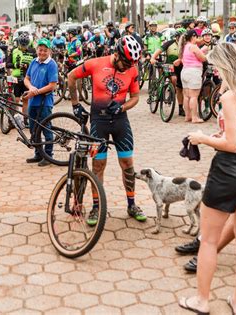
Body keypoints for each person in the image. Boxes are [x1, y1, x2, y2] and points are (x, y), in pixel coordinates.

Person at [178, 42, 236, 315]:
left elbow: (233, 144)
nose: (216, 72)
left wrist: (203, 139)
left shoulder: (230, 97)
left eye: (218, 67)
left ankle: (202, 300)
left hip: (230, 169)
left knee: (208, 240)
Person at [67, 35, 147, 225]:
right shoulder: (96, 64)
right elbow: (71, 76)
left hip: (120, 121)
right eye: (126, 63)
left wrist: (122, 107)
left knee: (127, 163)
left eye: (131, 64)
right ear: (117, 54)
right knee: (98, 166)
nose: (128, 67)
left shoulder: (132, 70)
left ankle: (132, 204)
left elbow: (135, 97)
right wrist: (75, 105)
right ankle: (97, 207)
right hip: (98, 122)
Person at [23, 38, 58, 167]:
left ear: (49, 51)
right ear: (37, 50)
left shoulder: (51, 64)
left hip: (45, 102)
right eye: (40, 50)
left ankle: (48, 156)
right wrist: (31, 88)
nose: (42, 52)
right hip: (33, 101)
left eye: (45, 50)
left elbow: (52, 85)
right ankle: (38, 154)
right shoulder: (34, 62)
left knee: (46, 129)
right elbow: (26, 79)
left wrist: (36, 92)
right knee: (34, 129)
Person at [151, 28, 187, 116]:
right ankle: (171, 90)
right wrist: (153, 58)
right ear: (177, 36)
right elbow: (159, 50)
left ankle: (180, 108)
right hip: (170, 66)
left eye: (184, 37)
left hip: (181, 67)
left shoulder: (186, 45)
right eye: (181, 37)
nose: (183, 39)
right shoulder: (170, 43)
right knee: (174, 79)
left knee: (180, 88)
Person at [176, 29, 207, 123]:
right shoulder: (193, 47)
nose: (197, 39)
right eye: (196, 37)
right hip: (194, 72)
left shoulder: (184, 46)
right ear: (193, 37)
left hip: (184, 72)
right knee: (194, 96)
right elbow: (202, 58)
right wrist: (203, 51)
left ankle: (187, 116)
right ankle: (194, 117)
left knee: (186, 96)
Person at [6, 35, 36, 123]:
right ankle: (14, 118)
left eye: (25, 46)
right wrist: (17, 65)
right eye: (21, 46)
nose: (23, 47)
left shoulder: (32, 51)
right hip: (16, 78)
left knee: (26, 99)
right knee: (16, 99)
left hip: (28, 79)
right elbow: (7, 64)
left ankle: (25, 119)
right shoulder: (14, 51)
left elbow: (36, 64)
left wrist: (28, 66)